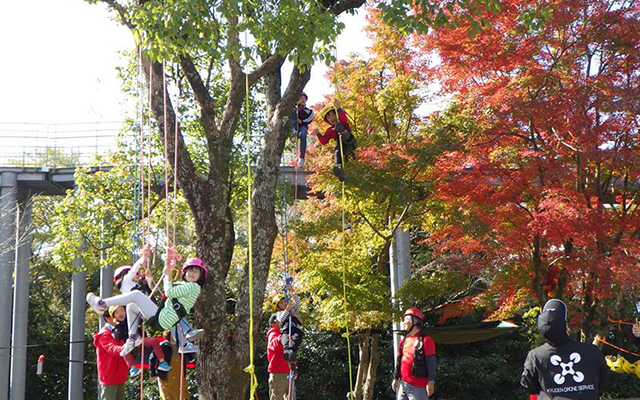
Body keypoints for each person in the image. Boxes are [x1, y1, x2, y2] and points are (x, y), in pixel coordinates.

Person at [87, 251, 207, 356]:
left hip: (164, 318)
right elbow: (170, 287)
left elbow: (169, 291)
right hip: (164, 318)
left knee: (136, 295)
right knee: (131, 306)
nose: (192, 273)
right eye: (190, 270)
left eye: (196, 271)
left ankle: (102, 303)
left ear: (200, 276)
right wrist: (168, 267)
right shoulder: (185, 285)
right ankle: (133, 337)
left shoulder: (193, 287)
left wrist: (166, 276)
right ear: (184, 273)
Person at [113, 245, 203, 351]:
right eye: (136, 274)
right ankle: (186, 335)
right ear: (123, 274)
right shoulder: (126, 282)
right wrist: (143, 258)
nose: (138, 275)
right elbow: (133, 271)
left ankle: (184, 341)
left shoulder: (137, 285)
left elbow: (148, 290)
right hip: (145, 310)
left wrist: (149, 278)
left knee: (173, 315)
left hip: (147, 310)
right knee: (172, 314)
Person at [521, 299, 610, 400]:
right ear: (566, 326)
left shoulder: (535, 356)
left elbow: (528, 385)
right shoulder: (591, 351)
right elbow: (604, 379)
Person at [109, 305, 172, 378]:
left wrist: (142, 320)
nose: (120, 313)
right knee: (123, 349)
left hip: (141, 340)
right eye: (117, 313)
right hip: (130, 345)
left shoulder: (132, 318)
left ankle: (162, 361)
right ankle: (133, 368)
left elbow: (141, 320)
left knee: (153, 340)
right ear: (114, 317)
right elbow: (118, 336)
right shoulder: (117, 328)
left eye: (122, 311)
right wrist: (118, 326)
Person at [392, 308, 436, 400]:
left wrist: (431, 382)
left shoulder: (426, 340)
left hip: (419, 387)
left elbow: (431, 363)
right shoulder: (404, 340)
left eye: (406, 320)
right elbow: (399, 360)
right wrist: (396, 378)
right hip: (403, 384)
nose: (404, 322)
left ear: (415, 322)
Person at [312, 99, 357, 181]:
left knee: (340, 126)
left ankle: (343, 132)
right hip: (343, 148)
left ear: (336, 115)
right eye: (328, 117)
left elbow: (343, 117)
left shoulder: (342, 122)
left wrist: (338, 107)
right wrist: (318, 134)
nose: (331, 117)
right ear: (327, 121)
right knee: (336, 151)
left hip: (350, 141)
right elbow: (324, 141)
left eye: (333, 115)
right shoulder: (330, 130)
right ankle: (339, 169)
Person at [149, 331, 195, 400]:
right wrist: (152, 373)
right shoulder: (162, 346)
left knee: (181, 392)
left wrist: (192, 359)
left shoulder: (181, 345)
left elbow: (189, 355)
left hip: (179, 372)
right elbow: (152, 358)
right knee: (168, 394)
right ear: (169, 334)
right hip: (166, 375)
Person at [94, 308, 129, 400]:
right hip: (109, 376)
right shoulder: (104, 334)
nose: (119, 315)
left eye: (121, 312)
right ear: (107, 318)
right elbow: (112, 349)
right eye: (115, 314)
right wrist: (126, 348)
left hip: (121, 374)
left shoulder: (120, 330)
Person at [275, 283, 303, 362]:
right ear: (278, 307)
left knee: (296, 339)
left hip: (295, 328)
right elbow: (281, 319)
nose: (283, 303)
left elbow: (297, 302)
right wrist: (287, 310)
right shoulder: (279, 313)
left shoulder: (293, 310)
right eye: (280, 303)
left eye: (284, 301)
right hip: (286, 330)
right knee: (285, 342)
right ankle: (288, 354)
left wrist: (292, 291)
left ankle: (292, 354)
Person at [267, 314, 291, 400]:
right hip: (278, 372)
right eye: (278, 321)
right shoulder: (273, 333)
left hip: (288, 371)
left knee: (291, 396)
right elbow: (274, 345)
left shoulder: (286, 334)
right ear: (272, 324)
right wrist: (284, 336)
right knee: (277, 396)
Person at [291, 92, 314, 167]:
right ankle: (293, 131)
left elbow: (310, 118)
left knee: (303, 136)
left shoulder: (308, 111)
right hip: (294, 125)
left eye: (304, 98)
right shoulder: (293, 109)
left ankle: (302, 158)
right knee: (292, 114)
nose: (303, 100)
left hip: (303, 126)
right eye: (301, 98)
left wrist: (302, 122)